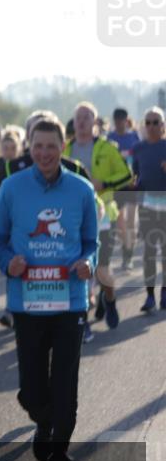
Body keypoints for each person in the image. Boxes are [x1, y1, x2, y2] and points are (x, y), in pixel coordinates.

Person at [0, 116, 97, 461]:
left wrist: (89, 264)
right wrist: (8, 262)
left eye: (52, 146)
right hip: (27, 303)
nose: (45, 153)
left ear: (62, 147)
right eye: (38, 146)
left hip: (70, 303)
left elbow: (91, 243)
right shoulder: (11, 187)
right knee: (31, 390)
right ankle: (44, 422)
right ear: (29, 147)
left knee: (65, 387)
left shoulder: (82, 190)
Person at [65, 102, 132, 329]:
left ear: (94, 121)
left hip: (103, 215)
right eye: (78, 117)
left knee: (102, 269)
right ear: (73, 123)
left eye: (86, 117)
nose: (82, 121)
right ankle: (81, 320)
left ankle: (110, 300)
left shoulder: (106, 148)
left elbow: (126, 176)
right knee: (77, 269)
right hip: (72, 218)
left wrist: (104, 183)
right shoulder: (65, 149)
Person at [133, 107, 166, 312]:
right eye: (148, 122)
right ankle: (149, 296)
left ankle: (164, 293)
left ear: (163, 126)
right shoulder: (138, 148)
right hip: (146, 206)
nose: (152, 126)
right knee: (149, 253)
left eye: (156, 122)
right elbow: (136, 176)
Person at [108, 108, 142, 269]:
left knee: (131, 221)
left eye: (122, 120)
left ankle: (128, 254)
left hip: (133, 183)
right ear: (114, 121)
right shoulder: (110, 138)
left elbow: (139, 160)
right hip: (117, 185)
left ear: (126, 120)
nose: (119, 123)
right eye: (117, 120)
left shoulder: (134, 137)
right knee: (121, 222)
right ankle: (125, 250)